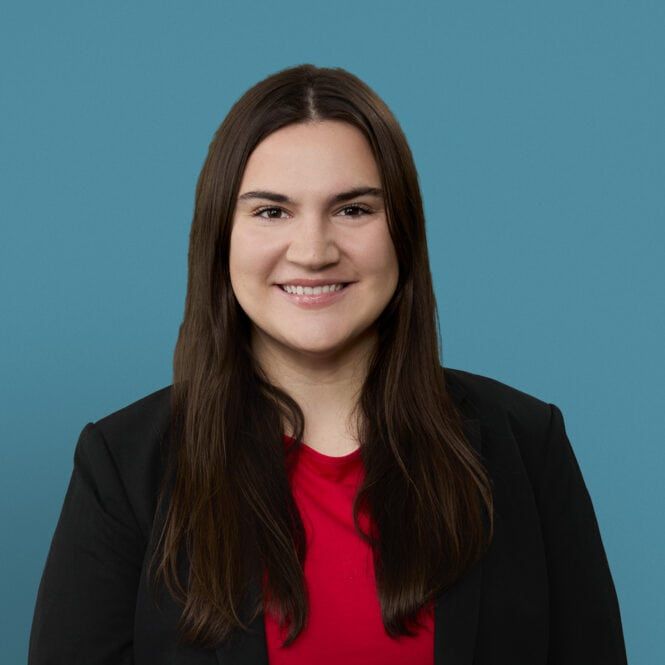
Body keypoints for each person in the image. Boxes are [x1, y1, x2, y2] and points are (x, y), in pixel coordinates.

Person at [28, 64, 628, 665]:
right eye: (271, 212)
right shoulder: (123, 465)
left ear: (403, 232)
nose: (313, 252)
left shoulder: (526, 446)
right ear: (221, 237)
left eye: (353, 209)